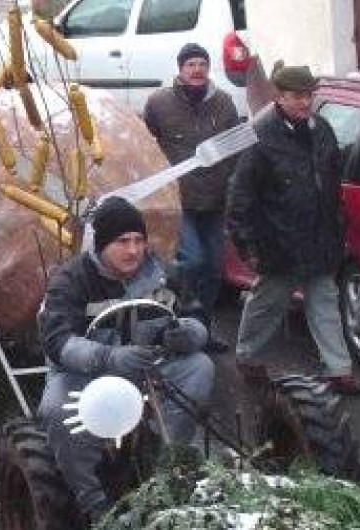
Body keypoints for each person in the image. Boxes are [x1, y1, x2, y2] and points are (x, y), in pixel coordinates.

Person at [38, 197, 215, 523]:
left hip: (148, 366)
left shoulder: (164, 274)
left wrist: (188, 333)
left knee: (198, 366)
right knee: (57, 410)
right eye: (122, 241)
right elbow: (57, 342)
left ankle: (167, 469)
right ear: (102, 244)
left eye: (138, 240)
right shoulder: (71, 280)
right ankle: (94, 503)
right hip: (84, 374)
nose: (133, 250)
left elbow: (197, 316)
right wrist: (107, 357)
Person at [227, 65, 360, 395]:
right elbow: (240, 196)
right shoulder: (260, 137)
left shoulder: (322, 130)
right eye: (297, 96)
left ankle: (339, 370)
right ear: (280, 96)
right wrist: (247, 247)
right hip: (278, 243)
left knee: (324, 302)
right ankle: (247, 356)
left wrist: (337, 227)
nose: (305, 102)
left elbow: (332, 183)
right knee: (267, 304)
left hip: (319, 238)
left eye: (309, 95)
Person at [143, 42, 241, 354]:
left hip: (215, 201)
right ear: (180, 69)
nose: (197, 70)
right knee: (192, 261)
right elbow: (145, 145)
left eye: (202, 64)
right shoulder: (159, 103)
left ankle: (203, 331)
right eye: (190, 65)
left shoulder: (223, 103)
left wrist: (234, 188)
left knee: (213, 268)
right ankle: (179, 327)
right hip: (179, 201)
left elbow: (237, 150)